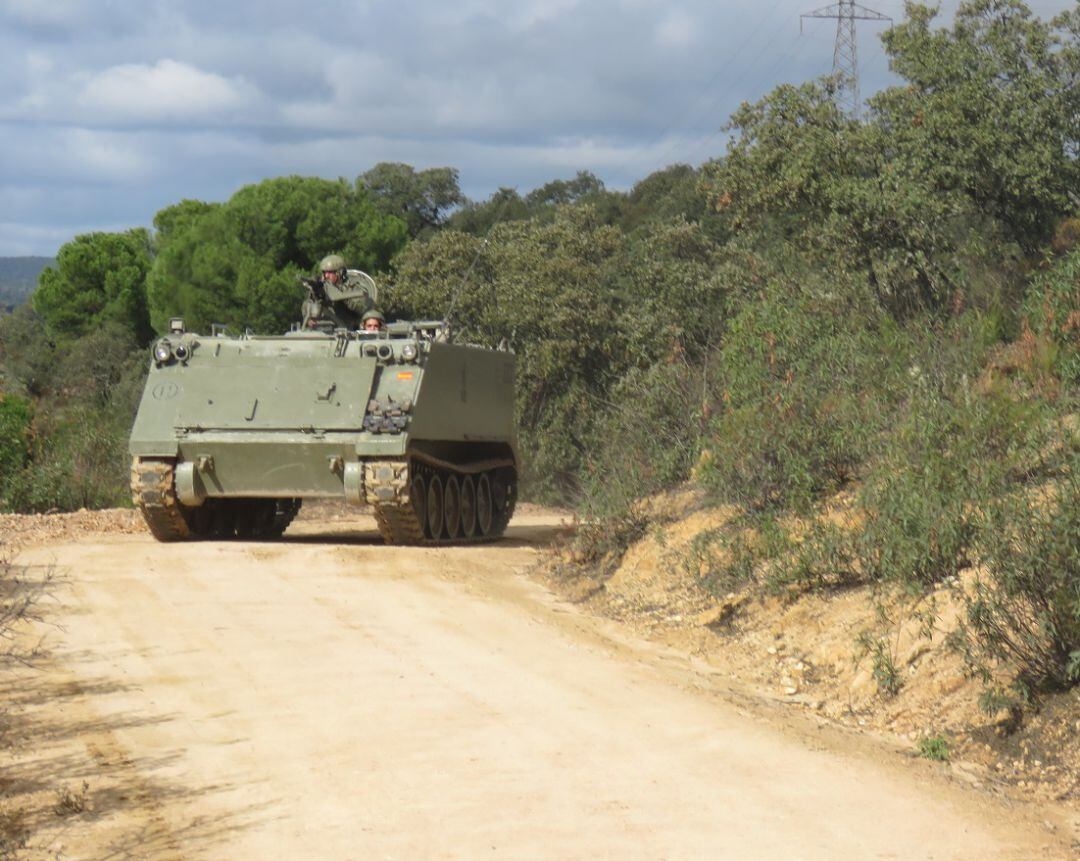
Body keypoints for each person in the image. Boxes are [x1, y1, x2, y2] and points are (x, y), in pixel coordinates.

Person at [301, 254, 375, 329]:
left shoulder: (354, 285)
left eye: (330, 272)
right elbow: (307, 304)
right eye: (324, 272)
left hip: (349, 329)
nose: (326, 276)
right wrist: (308, 319)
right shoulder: (321, 288)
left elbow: (361, 308)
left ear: (340, 273)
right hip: (325, 330)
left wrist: (341, 296)